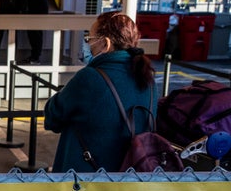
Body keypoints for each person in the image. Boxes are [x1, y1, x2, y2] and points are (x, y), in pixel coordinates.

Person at [44, 11, 157, 173]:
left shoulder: (90, 78)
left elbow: (52, 117)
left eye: (90, 39)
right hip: (131, 175)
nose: (88, 45)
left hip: (87, 178)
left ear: (106, 44)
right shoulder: (148, 79)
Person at [19, 0, 52, 65]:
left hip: (35, 11)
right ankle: (35, 56)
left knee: (34, 34)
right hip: (39, 10)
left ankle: (35, 57)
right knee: (36, 34)